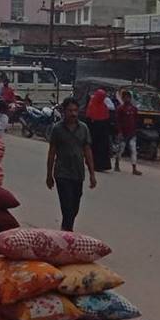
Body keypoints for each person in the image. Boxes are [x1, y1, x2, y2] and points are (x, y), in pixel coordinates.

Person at [47, 98, 96, 231]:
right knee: (66, 204)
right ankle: (67, 231)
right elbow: (52, 153)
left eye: (75, 110)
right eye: (70, 110)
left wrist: (92, 174)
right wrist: (49, 175)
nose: (73, 113)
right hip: (62, 173)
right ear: (64, 111)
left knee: (75, 206)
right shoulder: (57, 129)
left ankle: (67, 227)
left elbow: (87, 151)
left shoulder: (84, 128)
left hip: (78, 173)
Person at [86, 88, 113, 172]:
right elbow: (88, 118)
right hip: (94, 132)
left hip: (102, 132)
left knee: (103, 149)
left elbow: (107, 117)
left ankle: (102, 165)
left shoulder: (104, 106)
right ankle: (94, 165)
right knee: (95, 148)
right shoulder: (92, 105)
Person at [115, 90, 140, 175]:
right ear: (123, 98)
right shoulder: (120, 109)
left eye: (128, 97)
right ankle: (117, 163)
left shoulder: (134, 109)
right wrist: (119, 132)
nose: (127, 99)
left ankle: (134, 168)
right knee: (121, 149)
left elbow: (136, 121)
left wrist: (135, 131)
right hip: (123, 133)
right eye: (125, 97)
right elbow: (118, 121)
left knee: (133, 150)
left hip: (132, 133)